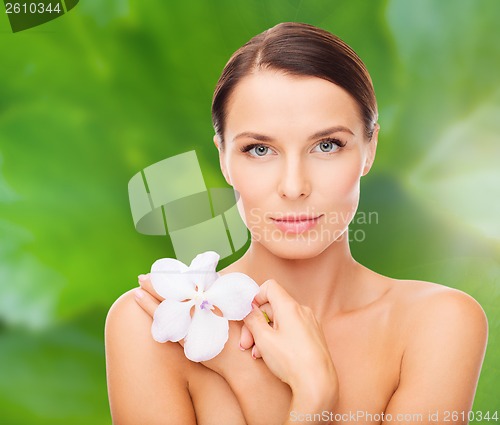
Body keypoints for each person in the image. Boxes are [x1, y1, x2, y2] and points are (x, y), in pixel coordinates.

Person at [105, 22, 488, 425]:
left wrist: (295, 390)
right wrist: (308, 397)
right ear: (223, 158)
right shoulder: (153, 327)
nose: (293, 187)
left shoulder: (439, 323)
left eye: (327, 145)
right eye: (259, 149)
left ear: (369, 149)